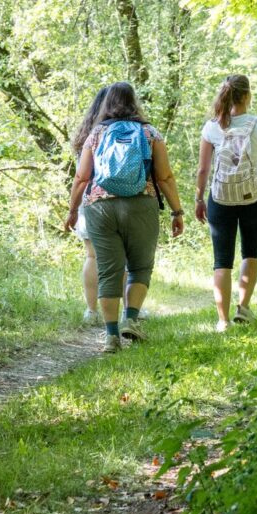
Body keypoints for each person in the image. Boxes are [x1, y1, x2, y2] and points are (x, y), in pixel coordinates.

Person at [68, 81, 185, 353]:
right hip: (141, 205)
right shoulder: (150, 132)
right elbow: (165, 177)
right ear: (134, 102)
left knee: (109, 270)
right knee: (140, 267)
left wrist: (73, 210)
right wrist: (177, 211)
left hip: (100, 208)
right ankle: (130, 319)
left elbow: (82, 177)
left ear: (108, 103)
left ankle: (111, 337)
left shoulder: (97, 133)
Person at [194, 74, 257, 332]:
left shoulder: (212, 127)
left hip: (220, 198)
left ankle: (223, 321)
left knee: (222, 260)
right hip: (252, 197)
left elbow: (203, 169)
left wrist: (199, 198)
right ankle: (243, 308)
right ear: (247, 95)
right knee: (251, 253)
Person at [66, 87, 108, 325]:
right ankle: (128, 311)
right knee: (121, 257)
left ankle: (91, 311)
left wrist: (72, 209)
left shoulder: (86, 135)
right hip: (119, 200)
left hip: (89, 200)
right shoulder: (125, 131)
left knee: (92, 256)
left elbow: (81, 176)